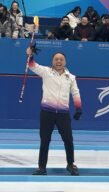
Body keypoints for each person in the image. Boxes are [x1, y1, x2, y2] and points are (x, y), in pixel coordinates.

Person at [26, 47, 82, 176]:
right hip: (47, 113)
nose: (58, 61)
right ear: (52, 61)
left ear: (65, 62)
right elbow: (32, 65)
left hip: (63, 114)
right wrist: (30, 55)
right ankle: (41, 167)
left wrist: (79, 108)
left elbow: (75, 93)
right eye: (56, 59)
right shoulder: (45, 72)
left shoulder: (71, 77)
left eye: (61, 59)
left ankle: (70, 164)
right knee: (45, 140)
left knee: (68, 140)